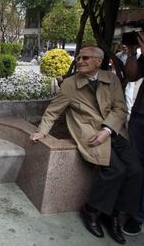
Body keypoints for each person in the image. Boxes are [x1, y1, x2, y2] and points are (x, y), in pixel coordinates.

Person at [30, 46, 142, 244]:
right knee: (115, 170)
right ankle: (91, 211)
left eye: (85, 58)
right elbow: (53, 111)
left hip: (113, 131)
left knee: (135, 171)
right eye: (79, 57)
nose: (79, 60)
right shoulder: (70, 84)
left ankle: (114, 215)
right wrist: (42, 131)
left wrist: (107, 130)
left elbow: (120, 108)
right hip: (90, 134)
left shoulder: (112, 79)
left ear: (98, 61)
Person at [122, 31, 144, 236]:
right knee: (136, 167)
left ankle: (138, 215)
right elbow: (131, 76)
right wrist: (133, 51)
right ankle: (130, 212)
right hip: (140, 115)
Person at [116, 44, 141, 114]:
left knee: (129, 91)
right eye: (123, 46)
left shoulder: (137, 54)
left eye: (125, 46)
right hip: (121, 75)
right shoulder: (119, 55)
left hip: (131, 74)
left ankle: (129, 109)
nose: (125, 47)